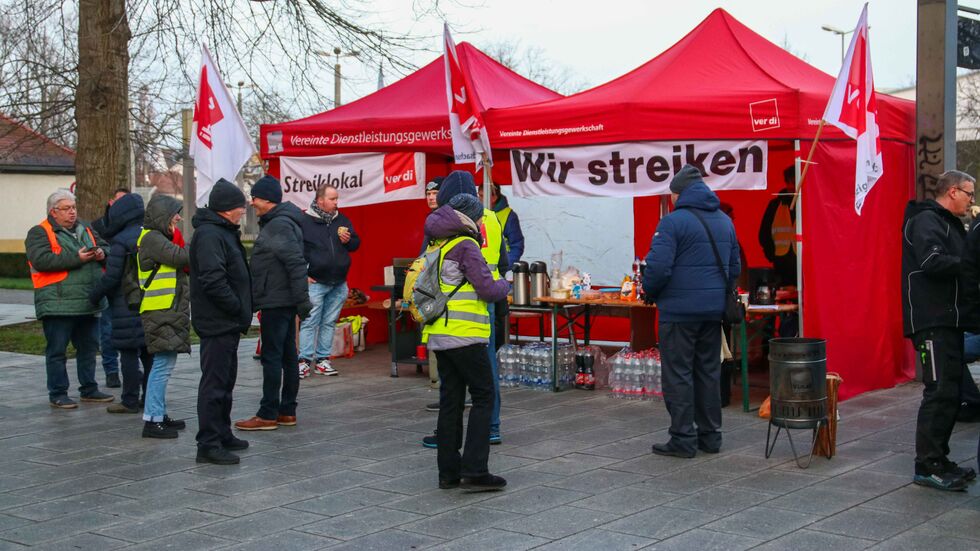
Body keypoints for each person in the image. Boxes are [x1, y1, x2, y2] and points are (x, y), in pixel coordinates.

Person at [642, 165, 739, 458]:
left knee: (679, 375)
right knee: (708, 374)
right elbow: (734, 268)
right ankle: (711, 436)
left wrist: (651, 291)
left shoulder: (672, 223)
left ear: (678, 194)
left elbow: (657, 268)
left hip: (679, 313)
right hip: (713, 312)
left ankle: (683, 438)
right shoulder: (724, 221)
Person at [422, 180, 510, 491]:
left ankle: (448, 472)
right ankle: (475, 469)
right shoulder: (466, 246)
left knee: (451, 401)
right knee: (485, 396)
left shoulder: (438, 244)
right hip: (466, 334)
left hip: (440, 335)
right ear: (469, 217)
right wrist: (505, 286)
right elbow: (487, 288)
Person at [902, 169, 977, 491]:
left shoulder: (949, 223)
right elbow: (932, 261)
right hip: (932, 321)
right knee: (938, 392)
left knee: (950, 393)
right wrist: (970, 263)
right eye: (970, 193)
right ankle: (926, 465)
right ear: (952, 192)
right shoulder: (926, 221)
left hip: (950, 320)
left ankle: (940, 458)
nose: (972, 200)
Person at [235, 176, 312, 431]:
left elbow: (295, 263)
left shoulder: (278, 225)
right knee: (288, 355)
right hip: (280, 299)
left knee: (272, 357)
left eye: (255, 197)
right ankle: (287, 411)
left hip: (277, 301)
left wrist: (302, 302)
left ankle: (268, 413)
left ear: (267, 199)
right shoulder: (279, 222)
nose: (252, 202)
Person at [26, 189, 114, 408]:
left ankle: (89, 389)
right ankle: (58, 393)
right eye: (66, 209)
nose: (72, 213)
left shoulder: (86, 228)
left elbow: (106, 246)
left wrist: (103, 253)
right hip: (57, 303)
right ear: (53, 212)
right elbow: (41, 260)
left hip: (89, 300)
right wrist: (77, 258)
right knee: (57, 351)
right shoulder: (39, 232)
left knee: (88, 348)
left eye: (73, 208)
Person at [190, 179, 252, 465]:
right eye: (241, 205)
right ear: (227, 209)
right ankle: (208, 443)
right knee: (214, 384)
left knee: (225, 382)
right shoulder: (210, 235)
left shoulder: (222, 232)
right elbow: (213, 280)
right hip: (218, 321)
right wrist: (237, 307)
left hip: (227, 321)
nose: (244, 210)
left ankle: (223, 432)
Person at [87, 192, 152, 417]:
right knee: (148, 353)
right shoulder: (150, 235)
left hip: (125, 305)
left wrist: (94, 296)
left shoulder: (121, 241)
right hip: (151, 302)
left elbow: (112, 277)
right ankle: (150, 398)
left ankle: (129, 400)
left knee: (128, 354)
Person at [138, 194, 191, 439]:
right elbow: (183, 257)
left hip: (165, 309)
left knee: (164, 365)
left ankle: (157, 413)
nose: (179, 218)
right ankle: (152, 420)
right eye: (174, 214)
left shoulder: (155, 237)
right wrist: (202, 235)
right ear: (162, 216)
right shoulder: (152, 238)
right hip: (160, 310)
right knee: (161, 366)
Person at [298, 184, 360, 378]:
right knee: (309, 321)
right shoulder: (304, 221)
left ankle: (323, 360)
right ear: (320, 200)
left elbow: (356, 245)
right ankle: (304, 361)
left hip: (339, 282)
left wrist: (348, 239)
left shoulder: (341, 219)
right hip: (315, 282)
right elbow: (295, 250)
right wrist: (302, 273)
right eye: (332, 199)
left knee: (329, 322)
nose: (336, 202)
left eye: (336, 199)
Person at [91, 187, 130, 389]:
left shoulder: (133, 226)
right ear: (110, 202)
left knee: (129, 332)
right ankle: (111, 370)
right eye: (119, 200)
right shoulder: (98, 225)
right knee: (107, 330)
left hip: (128, 286)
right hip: (108, 282)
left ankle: (129, 370)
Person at [479, 183, 522, 350]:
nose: (480, 199)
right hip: (481, 275)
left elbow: (517, 244)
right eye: (479, 195)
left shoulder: (508, 216)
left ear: (494, 196)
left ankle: (497, 352)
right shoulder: (476, 215)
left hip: (499, 275)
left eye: (484, 196)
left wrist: (505, 267)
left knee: (497, 318)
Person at [758, 166, 797, 288]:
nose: (791, 186)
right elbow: (764, 234)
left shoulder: (810, 203)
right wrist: (772, 257)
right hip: (781, 265)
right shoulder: (775, 205)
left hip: (805, 265)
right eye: (789, 182)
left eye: (794, 182)